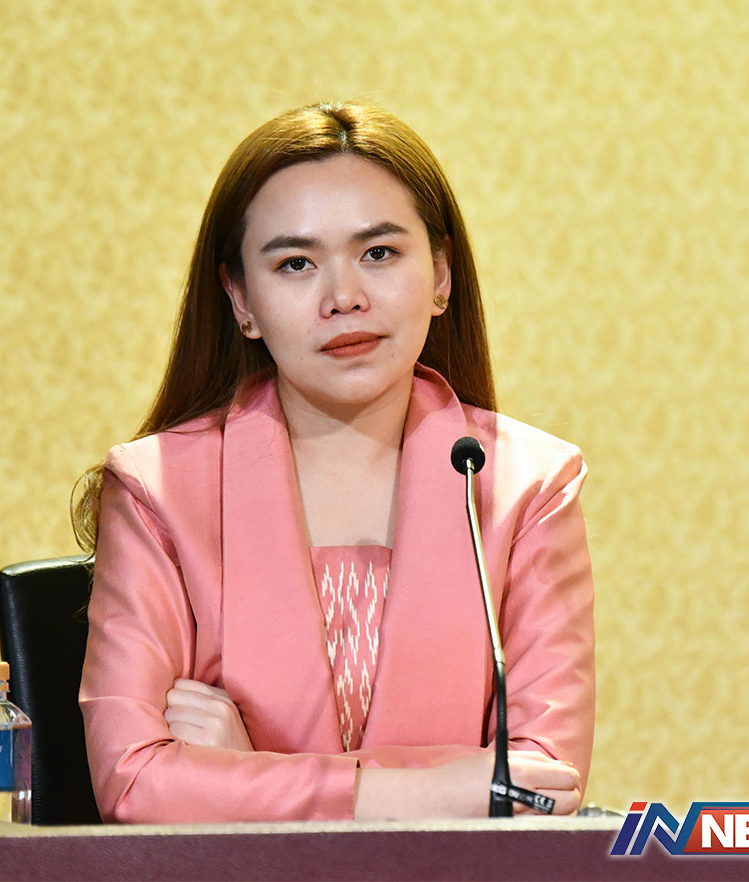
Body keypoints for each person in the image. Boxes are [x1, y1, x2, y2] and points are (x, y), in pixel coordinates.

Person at [74, 102, 595, 824]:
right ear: (240, 300)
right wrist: (427, 792)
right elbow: (134, 784)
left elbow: (541, 789)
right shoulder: (156, 488)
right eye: (295, 264)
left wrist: (250, 776)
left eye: (379, 253)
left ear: (441, 275)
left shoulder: (527, 485)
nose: (344, 298)